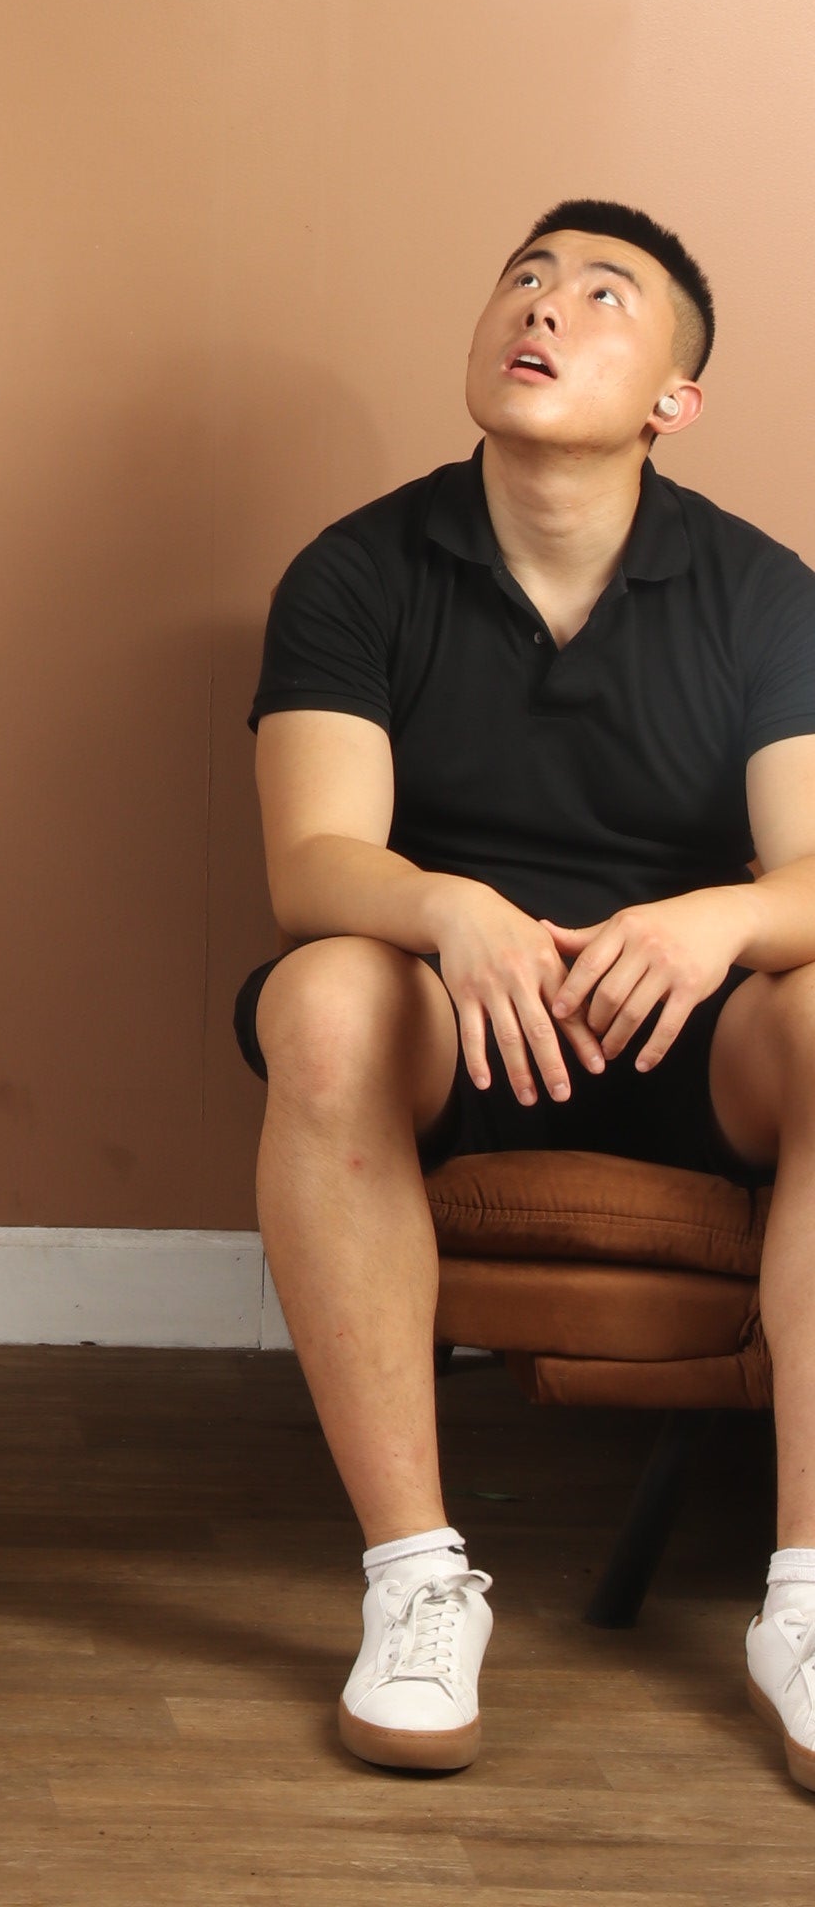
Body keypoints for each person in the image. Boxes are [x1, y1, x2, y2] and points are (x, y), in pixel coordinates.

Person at [242, 201, 815, 1783]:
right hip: (458, 1019)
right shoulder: (359, 571)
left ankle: (808, 1600)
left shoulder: (766, 594)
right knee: (323, 998)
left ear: (671, 403)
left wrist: (715, 925)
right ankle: (419, 1584)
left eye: (602, 295)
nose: (544, 307)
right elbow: (313, 862)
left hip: (696, 1033)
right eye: (526, 277)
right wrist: (448, 909)